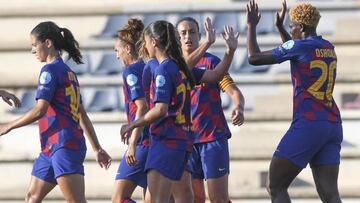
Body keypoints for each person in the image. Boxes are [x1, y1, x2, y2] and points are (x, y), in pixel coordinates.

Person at [121, 20, 239, 203]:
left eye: (145, 41)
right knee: (185, 197)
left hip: (165, 141)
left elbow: (160, 109)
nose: (143, 46)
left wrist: (133, 124)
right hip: (184, 142)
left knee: (157, 200)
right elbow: (215, 75)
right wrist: (229, 52)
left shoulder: (162, 69)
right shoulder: (180, 68)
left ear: (154, 42)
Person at [0, 21, 112, 203]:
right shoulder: (69, 73)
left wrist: (9, 125)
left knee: (75, 201)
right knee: (31, 197)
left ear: (48, 43)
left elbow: (40, 110)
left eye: (35, 45)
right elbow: (81, 114)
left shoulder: (49, 71)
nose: (33, 51)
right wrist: (97, 148)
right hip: (51, 147)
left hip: (64, 145)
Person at [246, 0, 343, 202]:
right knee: (330, 195)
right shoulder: (328, 47)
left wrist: (251, 26)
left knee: (275, 185)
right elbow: (296, 51)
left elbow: (254, 58)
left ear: (300, 27)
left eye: (292, 25)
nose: (291, 29)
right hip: (332, 124)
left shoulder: (301, 46)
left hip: (309, 124)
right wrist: (281, 28)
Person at [176, 16, 245, 203]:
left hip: (212, 138)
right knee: (194, 198)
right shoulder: (172, 66)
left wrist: (239, 107)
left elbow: (234, 92)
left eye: (192, 32)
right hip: (185, 142)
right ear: (177, 38)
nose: (188, 36)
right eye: (183, 33)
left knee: (218, 198)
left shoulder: (211, 63)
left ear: (200, 35)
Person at [112, 18, 150, 203]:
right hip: (156, 138)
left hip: (143, 141)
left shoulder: (131, 71)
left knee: (119, 198)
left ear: (128, 49)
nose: (117, 56)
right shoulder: (150, 67)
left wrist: (133, 141)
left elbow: (142, 105)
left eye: (117, 50)